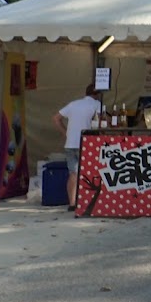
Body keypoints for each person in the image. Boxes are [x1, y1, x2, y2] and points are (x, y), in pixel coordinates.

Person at [52, 83, 102, 211]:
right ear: (97, 95)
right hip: (86, 142)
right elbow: (102, 122)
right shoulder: (96, 105)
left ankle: (73, 203)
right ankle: (90, 201)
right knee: (90, 172)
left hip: (70, 143)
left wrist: (65, 133)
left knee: (73, 173)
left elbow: (56, 118)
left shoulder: (73, 104)